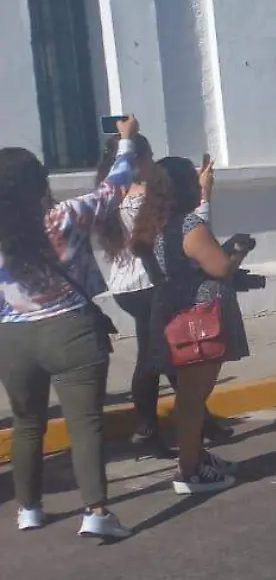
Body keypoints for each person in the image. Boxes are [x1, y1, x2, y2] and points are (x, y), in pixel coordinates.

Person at [0, 115, 140, 539]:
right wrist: (126, 143)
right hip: (69, 329)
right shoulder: (65, 217)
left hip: (12, 339)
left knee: (26, 424)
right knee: (85, 424)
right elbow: (115, 187)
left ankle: (29, 508)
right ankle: (95, 512)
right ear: (38, 184)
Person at [91, 135, 227, 459]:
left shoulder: (109, 196)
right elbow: (188, 233)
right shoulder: (146, 198)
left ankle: (195, 421)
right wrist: (204, 193)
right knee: (158, 358)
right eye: (149, 156)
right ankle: (150, 428)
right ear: (136, 161)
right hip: (149, 283)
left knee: (161, 354)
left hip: (126, 285)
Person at [134, 157, 250, 495]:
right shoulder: (187, 225)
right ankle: (189, 470)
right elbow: (219, 267)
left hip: (174, 314)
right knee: (192, 399)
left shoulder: (151, 222)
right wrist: (238, 250)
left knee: (189, 395)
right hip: (201, 319)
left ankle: (197, 456)